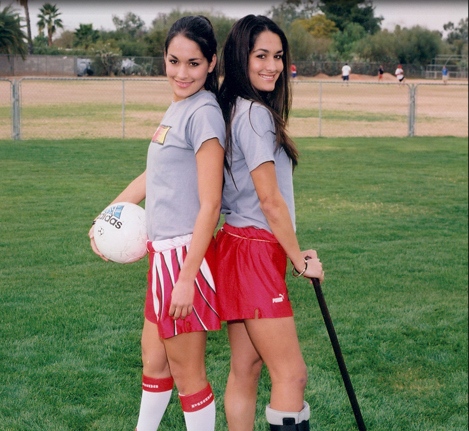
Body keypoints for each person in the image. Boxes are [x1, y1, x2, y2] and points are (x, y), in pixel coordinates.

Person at [88, 15, 225, 431]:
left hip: (185, 256)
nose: (181, 73)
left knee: (188, 374)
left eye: (193, 63)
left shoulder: (204, 113)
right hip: (163, 254)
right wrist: (104, 220)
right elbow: (153, 177)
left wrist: (186, 278)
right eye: (173, 61)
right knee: (154, 359)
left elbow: (211, 203)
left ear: (212, 63)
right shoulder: (179, 107)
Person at [216, 15, 325, 431]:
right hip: (256, 251)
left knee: (246, 370)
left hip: (236, 247)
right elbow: (270, 201)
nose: (272, 66)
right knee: (292, 375)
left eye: (278, 56)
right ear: (240, 58)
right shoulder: (256, 116)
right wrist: (300, 260)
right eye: (261, 55)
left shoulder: (232, 108)